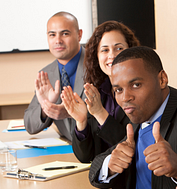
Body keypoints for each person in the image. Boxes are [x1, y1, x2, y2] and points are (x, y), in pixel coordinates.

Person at [88, 46, 177, 189]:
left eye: (136, 84)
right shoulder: (137, 116)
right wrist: (110, 163)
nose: (125, 98)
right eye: (118, 90)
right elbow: (95, 169)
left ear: (162, 79)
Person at [60, 21, 140, 163]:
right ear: (96, 56)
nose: (112, 55)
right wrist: (81, 122)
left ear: (131, 50)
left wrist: (100, 113)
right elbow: (85, 157)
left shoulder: (140, 91)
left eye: (119, 48)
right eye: (104, 50)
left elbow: (132, 149)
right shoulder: (97, 91)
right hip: (103, 178)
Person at [24, 11, 84, 141]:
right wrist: (46, 107)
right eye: (52, 35)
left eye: (65, 33)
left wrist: (71, 113)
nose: (58, 40)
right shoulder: (46, 74)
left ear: (79, 35)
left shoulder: (98, 65)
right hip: (68, 149)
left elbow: (111, 114)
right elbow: (29, 124)